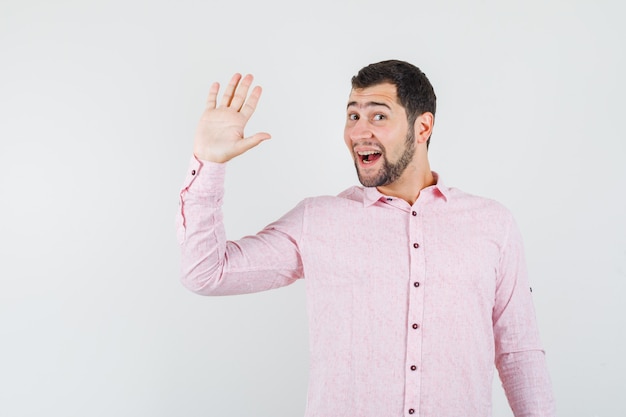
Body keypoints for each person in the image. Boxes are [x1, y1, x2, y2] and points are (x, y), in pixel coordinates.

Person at [176, 60, 556, 417]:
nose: (359, 131)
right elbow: (207, 273)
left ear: (422, 128)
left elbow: (518, 351)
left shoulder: (492, 224)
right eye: (353, 115)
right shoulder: (319, 220)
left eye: (378, 115)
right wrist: (209, 163)